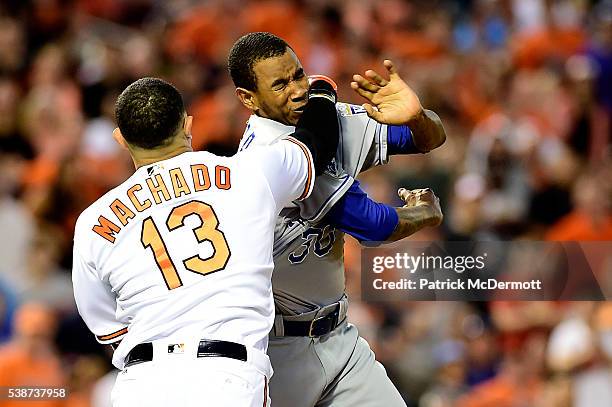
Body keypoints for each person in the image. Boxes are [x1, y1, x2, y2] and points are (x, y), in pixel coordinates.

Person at [71, 76, 340, 407]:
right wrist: (320, 89)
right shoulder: (249, 173)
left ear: (121, 140)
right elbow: (317, 144)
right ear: (188, 124)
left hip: (141, 384)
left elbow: (111, 330)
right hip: (226, 376)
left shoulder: (93, 223)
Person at [228, 32, 445, 406]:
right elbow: (372, 224)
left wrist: (417, 116)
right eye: (280, 84)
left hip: (340, 337)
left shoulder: (324, 117)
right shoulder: (267, 160)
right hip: (277, 351)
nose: (297, 90)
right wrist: (424, 213)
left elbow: (428, 138)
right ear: (248, 98)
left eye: (298, 75)